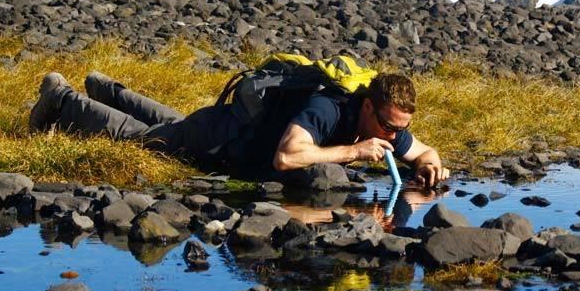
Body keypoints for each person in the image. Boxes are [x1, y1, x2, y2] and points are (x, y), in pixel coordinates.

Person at [29, 70, 450, 187]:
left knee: (173, 123)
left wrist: (432, 166)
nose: (395, 137)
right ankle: (63, 99)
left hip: (227, 127)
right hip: (222, 139)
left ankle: (107, 88)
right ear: (367, 106)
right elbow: (286, 156)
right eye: (389, 126)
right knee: (149, 141)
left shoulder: (388, 128)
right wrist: (352, 153)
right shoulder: (327, 109)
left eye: (402, 129)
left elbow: (424, 152)